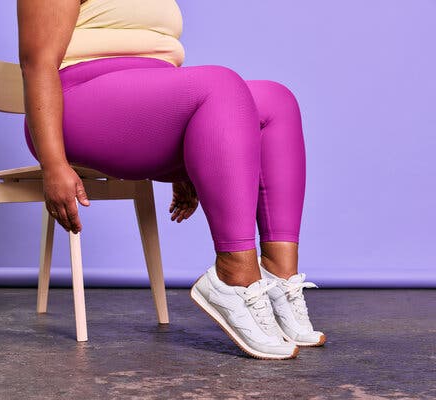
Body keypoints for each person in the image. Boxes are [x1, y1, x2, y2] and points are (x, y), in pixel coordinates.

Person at [18, 0, 325, 360]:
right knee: (219, 81)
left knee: (276, 100)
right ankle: (234, 275)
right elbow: (37, 63)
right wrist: (53, 164)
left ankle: (278, 276)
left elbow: (162, 69)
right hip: (77, 102)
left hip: (144, 104)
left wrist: (196, 154)